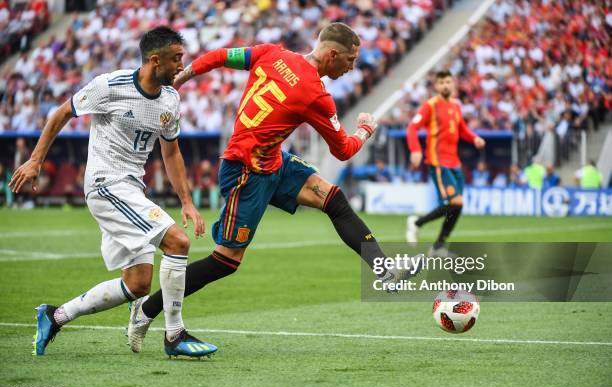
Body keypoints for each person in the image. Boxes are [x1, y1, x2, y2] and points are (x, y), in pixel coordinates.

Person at [127, 22, 421, 353]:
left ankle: (384, 270)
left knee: (333, 200)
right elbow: (343, 150)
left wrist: (186, 75)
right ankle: (146, 310)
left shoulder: (271, 53)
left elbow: (223, 55)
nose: (352, 67)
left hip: (273, 162)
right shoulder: (316, 95)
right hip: (245, 172)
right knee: (225, 261)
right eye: (350, 60)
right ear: (332, 54)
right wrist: (366, 129)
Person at [9, 27, 214, 358]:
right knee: (178, 242)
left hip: (131, 188)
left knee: (138, 284)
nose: (182, 66)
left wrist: (187, 202)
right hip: (105, 184)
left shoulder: (170, 99)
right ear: (154, 60)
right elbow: (61, 113)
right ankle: (175, 335)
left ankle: (55, 316)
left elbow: (171, 152)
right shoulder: (110, 86)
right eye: (176, 59)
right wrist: (34, 161)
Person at [405, 70, 486, 256]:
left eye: (448, 82)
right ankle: (416, 223)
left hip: (455, 162)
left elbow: (462, 129)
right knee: (455, 201)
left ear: (453, 84)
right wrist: (416, 150)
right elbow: (412, 128)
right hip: (438, 162)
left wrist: (474, 139)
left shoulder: (456, 105)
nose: (445, 85)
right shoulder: (430, 106)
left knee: (458, 205)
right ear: (436, 86)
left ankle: (438, 246)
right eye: (442, 83)